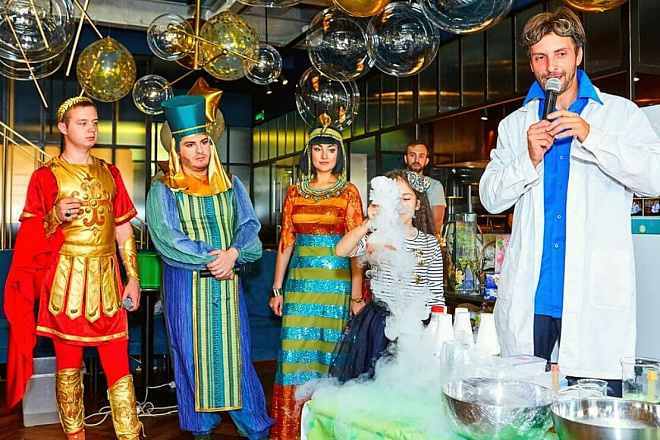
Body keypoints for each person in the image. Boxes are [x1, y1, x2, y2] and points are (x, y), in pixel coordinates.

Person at [479, 7, 660, 395]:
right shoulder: (515, 125)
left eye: (560, 54)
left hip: (595, 300)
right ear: (531, 63)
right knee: (525, 410)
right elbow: (490, 198)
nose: (551, 67)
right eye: (540, 57)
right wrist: (527, 158)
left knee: (592, 411)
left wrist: (592, 137)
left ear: (578, 54)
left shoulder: (619, 115)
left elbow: (654, 177)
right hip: (532, 300)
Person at [4, 96, 142, 439]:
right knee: (68, 368)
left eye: (94, 122)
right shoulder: (45, 176)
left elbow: (123, 229)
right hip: (66, 281)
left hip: (107, 278)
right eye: (82, 123)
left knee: (119, 366)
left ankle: (129, 434)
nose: (91, 129)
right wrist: (54, 215)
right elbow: (30, 237)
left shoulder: (111, 172)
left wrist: (133, 278)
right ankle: (75, 436)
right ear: (63, 128)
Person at [146, 95, 272, 440]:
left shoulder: (231, 184)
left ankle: (254, 425)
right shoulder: (163, 189)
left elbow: (250, 228)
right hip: (185, 286)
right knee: (190, 355)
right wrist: (216, 258)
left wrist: (234, 254)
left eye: (204, 142)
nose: (200, 150)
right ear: (177, 150)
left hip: (227, 283)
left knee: (236, 354)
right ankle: (201, 427)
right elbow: (168, 239)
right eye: (190, 144)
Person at [269, 125, 364, 440]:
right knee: (294, 354)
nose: (324, 156)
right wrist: (277, 288)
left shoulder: (348, 192)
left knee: (330, 355)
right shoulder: (294, 192)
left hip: (336, 284)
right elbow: (286, 241)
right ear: (308, 154)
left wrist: (356, 296)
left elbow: (358, 248)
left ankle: (325, 431)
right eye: (318, 149)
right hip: (299, 286)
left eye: (331, 150)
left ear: (340, 155)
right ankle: (290, 431)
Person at [330, 169, 444, 383]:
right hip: (379, 326)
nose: (401, 205)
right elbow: (341, 250)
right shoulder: (377, 238)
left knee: (409, 385)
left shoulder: (429, 244)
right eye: (395, 198)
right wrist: (368, 223)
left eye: (406, 198)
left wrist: (437, 330)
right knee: (376, 384)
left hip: (417, 324)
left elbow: (437, 294)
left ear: (418, 205)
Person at [404, 141, 446, 234]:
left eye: (421, 156)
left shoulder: (435, 186)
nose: (416, 160)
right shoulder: (396, 183)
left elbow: (437, 222)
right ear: (406, 158)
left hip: (425, 239)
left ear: (426, 161)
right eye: (412, 155)